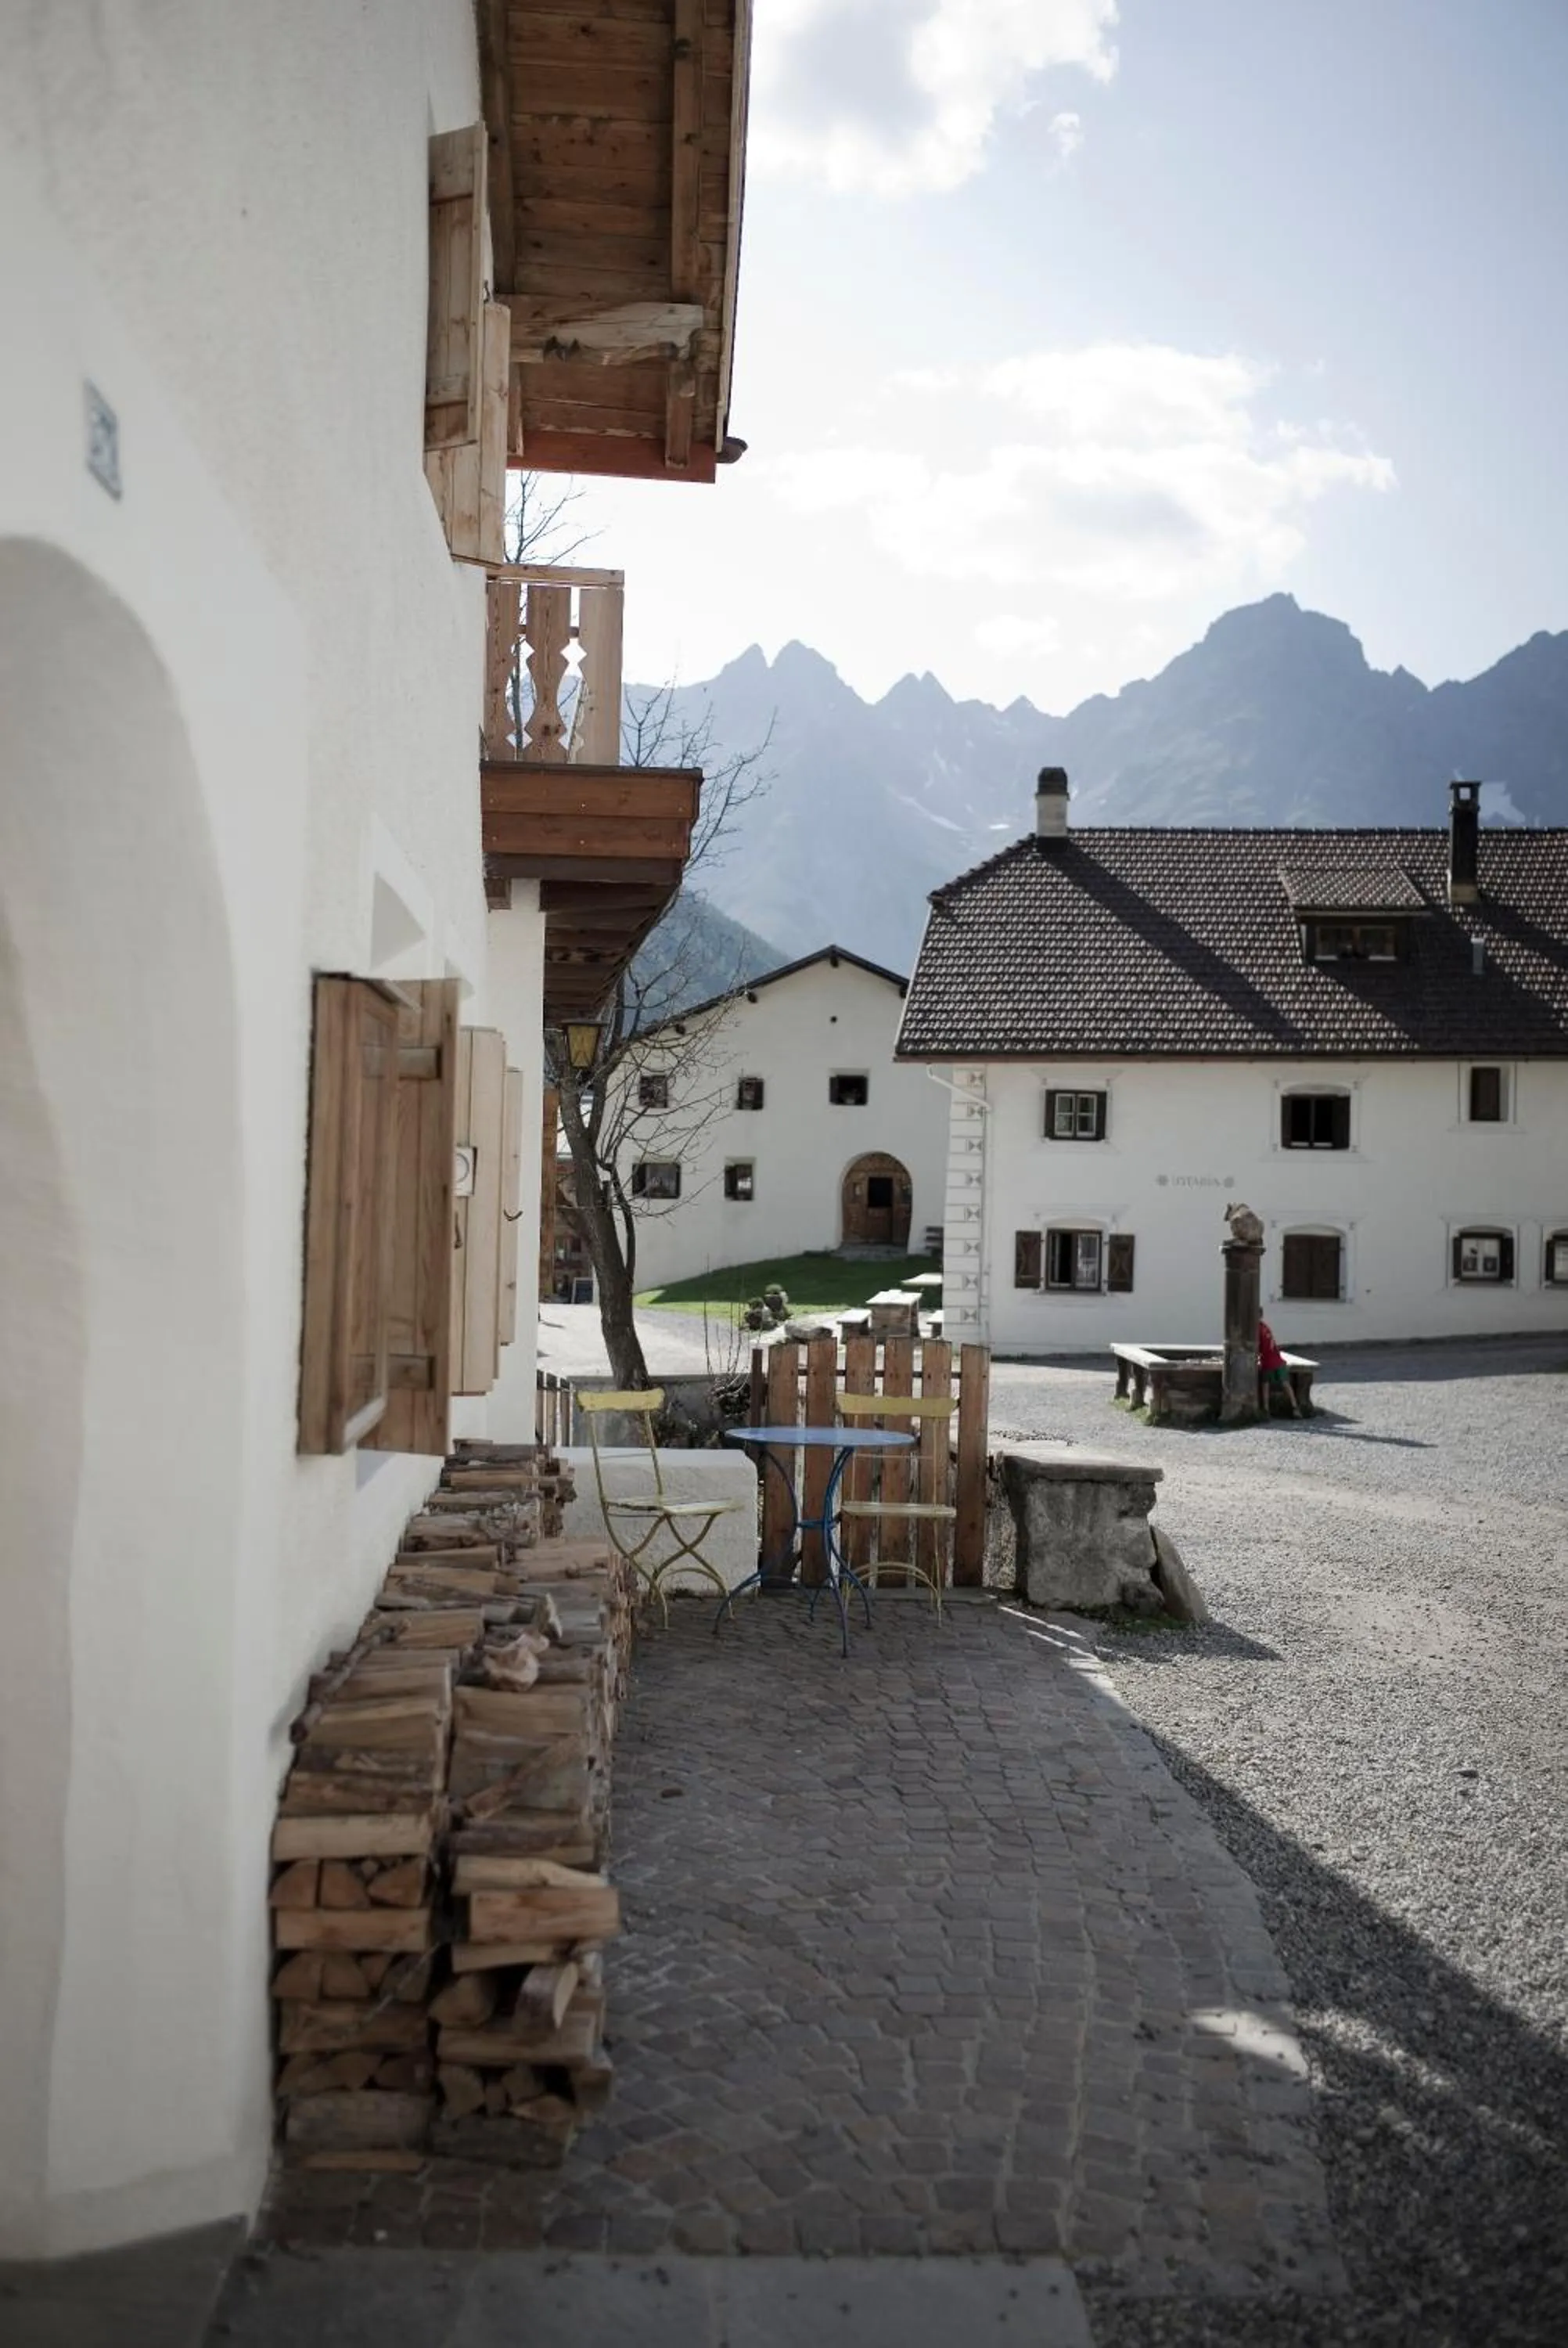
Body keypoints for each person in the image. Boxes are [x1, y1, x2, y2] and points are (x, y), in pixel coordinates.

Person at [1258, 1318, 1300, 1417]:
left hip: (1267, 1361)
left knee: (1265, 1384)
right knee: (1285, 1383)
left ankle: (1266, 1409)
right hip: (1277, 1359)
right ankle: (1295, 1407)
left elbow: (1258, 1346)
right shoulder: (1265, 1326)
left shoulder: (1257, 1329)